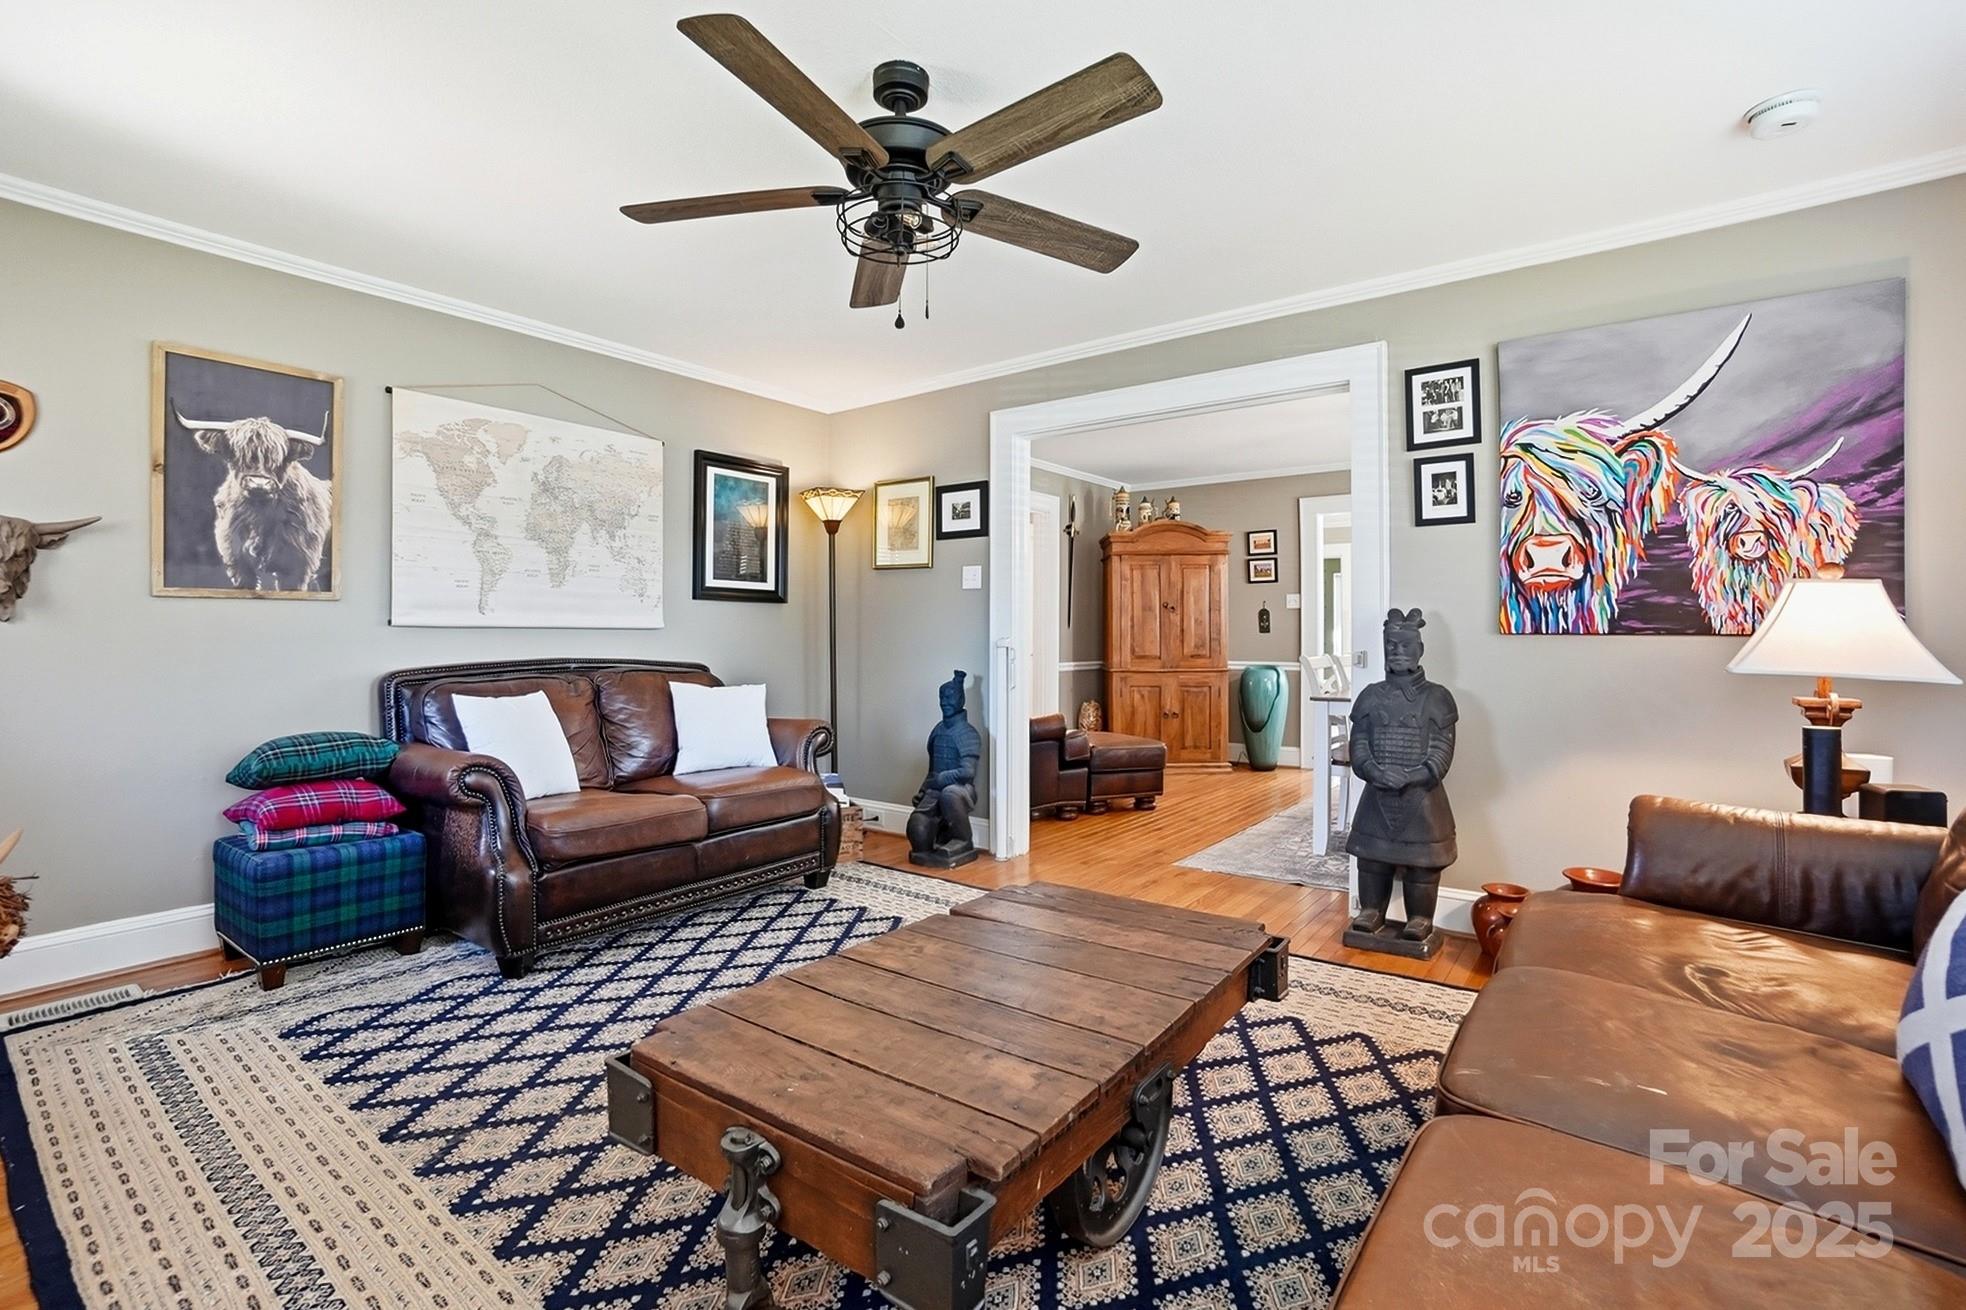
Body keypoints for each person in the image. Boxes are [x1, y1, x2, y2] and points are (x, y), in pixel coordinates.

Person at [1346, 609, 1458, 950]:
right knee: (1372, 858)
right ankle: (1370, 911)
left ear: (1420, 650)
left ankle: (1419, 918)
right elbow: (1359, 743)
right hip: (1377, 795)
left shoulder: (1437, 698)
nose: (1397, 652)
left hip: (1422, 799)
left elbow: (1442, 751)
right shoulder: (1370, 695)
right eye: (1391, 645)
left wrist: (1414, 775)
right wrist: (1375, 771)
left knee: (1422, 866)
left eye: (1405, 646)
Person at [907, 669, 981, 868]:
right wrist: (923, 790)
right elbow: (932, 768)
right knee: (917, 828)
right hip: (935, 790)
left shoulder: (968, 733)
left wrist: (941, 780)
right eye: (942, 697)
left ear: (960, 699)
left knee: (949, 794)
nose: (944, 702)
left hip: (961, 791)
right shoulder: (938, 731)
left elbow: (967, 772)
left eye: (950, 697)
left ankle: (963, 839)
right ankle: (936, 840)